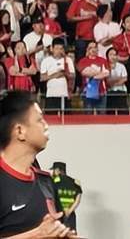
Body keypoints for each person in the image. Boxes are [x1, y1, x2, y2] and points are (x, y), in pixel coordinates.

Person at [0, 91, 76, 237]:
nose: (46, 126)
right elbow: (42, 234)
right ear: (20, 131)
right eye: (40, 120)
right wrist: (37, 235)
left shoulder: (46, 182)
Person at [51, 161, 82, 231]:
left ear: (58, 170)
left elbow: (50, 198)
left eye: (54, 170)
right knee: (71, 234)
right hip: (70, 215)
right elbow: (78, 199)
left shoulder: (53, 181)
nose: (53, 172)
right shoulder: (75, 182)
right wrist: (69, 211)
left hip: (57, 214)